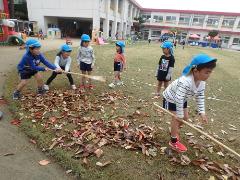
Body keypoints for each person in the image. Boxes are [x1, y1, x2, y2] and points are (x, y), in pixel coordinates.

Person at [162, 54, 217, 152]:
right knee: (177, 118)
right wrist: (178, 114)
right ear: (195, 70)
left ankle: (173, 131)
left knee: (185, 118)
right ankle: (173, 141)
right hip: (171, 97)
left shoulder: (201, 82)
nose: (209, 75)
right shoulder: (185, 81)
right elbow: (178, 98)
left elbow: (200, 96)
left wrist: (202, 112)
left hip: (182, 98)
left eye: (210, 72)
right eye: (206, 72)